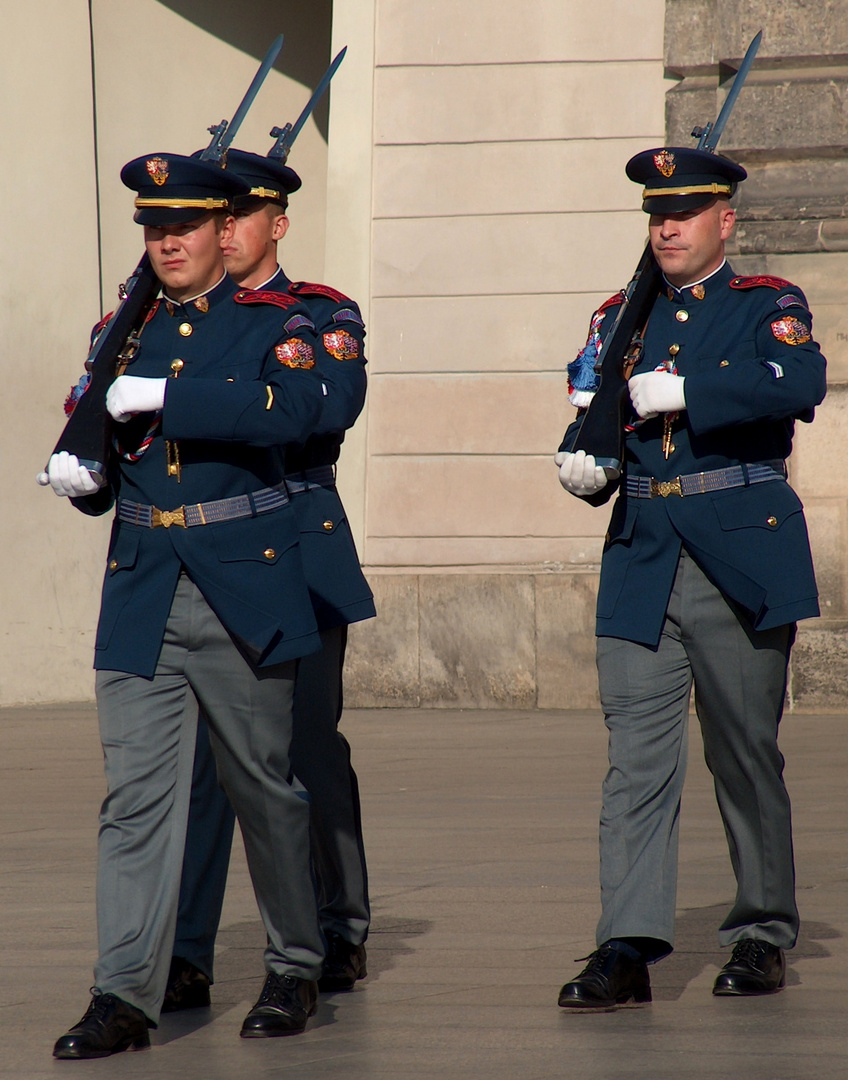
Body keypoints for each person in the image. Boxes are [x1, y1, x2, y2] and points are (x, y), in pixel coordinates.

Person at [48, 153, 333, 1057]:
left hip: (242, 577)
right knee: (135, 800)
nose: (166, 242)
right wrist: (85, 472)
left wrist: (173, 397)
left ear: (224, 232)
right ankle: (122, 992)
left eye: (185, 227)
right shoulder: (119, 330)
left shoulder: (275, 322)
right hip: (141, 584)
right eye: (153, 229)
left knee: (263, 788)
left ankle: (293, 962)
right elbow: (105, 448)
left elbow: (297, 412)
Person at [554, 146, 826, 1010]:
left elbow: (801, 380)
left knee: (744, 753)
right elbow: (590, 401)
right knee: (634, 763)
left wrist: (690, 389)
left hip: (738, 550)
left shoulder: (765, 305)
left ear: (725, 221)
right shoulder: (617, 315)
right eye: (655, 213)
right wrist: (583, 456)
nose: (666, 226)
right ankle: (627, 943)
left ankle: (759, 931)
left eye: (684, 212)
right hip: (642, 555)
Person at [162, 149, 374, 1012]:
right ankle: (183, 949)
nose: (226, 229)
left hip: (296, 542)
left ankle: (335, 924)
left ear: (275, 224)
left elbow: (326, 406)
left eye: (241, 214)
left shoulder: (318, 312)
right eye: (216, 214)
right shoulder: (177, 320)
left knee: (305, 748)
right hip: (207, 553)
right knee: (205, 768)